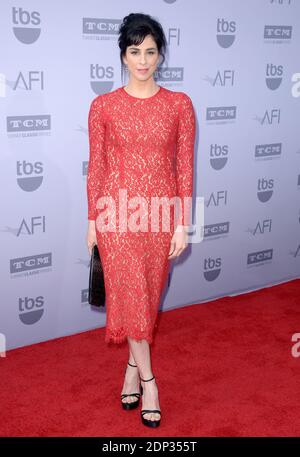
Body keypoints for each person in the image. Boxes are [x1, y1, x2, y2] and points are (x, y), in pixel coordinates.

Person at [86, 12, 196, 428]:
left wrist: (182, 221)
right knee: (131, 297)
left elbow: (184, 167)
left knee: (148, 301)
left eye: (150, 51)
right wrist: (92, 219)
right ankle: (149, 381)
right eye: (135, 51)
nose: (143, 60)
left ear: (161, 54)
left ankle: (131, 369)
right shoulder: (104, 106)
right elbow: (96, 167)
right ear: (123, 56)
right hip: (116, 216)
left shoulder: (179, 105)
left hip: (159, 216)